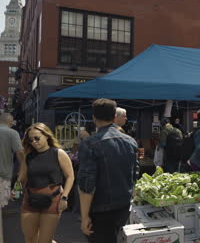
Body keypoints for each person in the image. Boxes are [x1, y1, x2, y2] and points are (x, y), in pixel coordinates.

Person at [78, 99, 139, 243]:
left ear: (94, 118)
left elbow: (87, 184)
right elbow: (134, 175)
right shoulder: (130, 141)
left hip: (101, 210)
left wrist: (84, 216)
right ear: (114, 117)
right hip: (124, 205)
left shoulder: (90, 143)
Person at [19, 123, 74, 243]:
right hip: (30, 199)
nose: (34, 142)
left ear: (46, 136)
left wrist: (64, 197)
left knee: (44, 240)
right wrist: (16, 190)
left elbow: (70, 176)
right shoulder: (28, 156)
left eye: (37, 138)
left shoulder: (58, 153)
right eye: (30, 139)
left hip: (53, 199)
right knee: (30, 239)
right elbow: (21, 178)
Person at [0, 113, 24, 242]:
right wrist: (22, 172)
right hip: (2, 177)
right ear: (11, 122)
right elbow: (20, 154)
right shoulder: (12, 133)